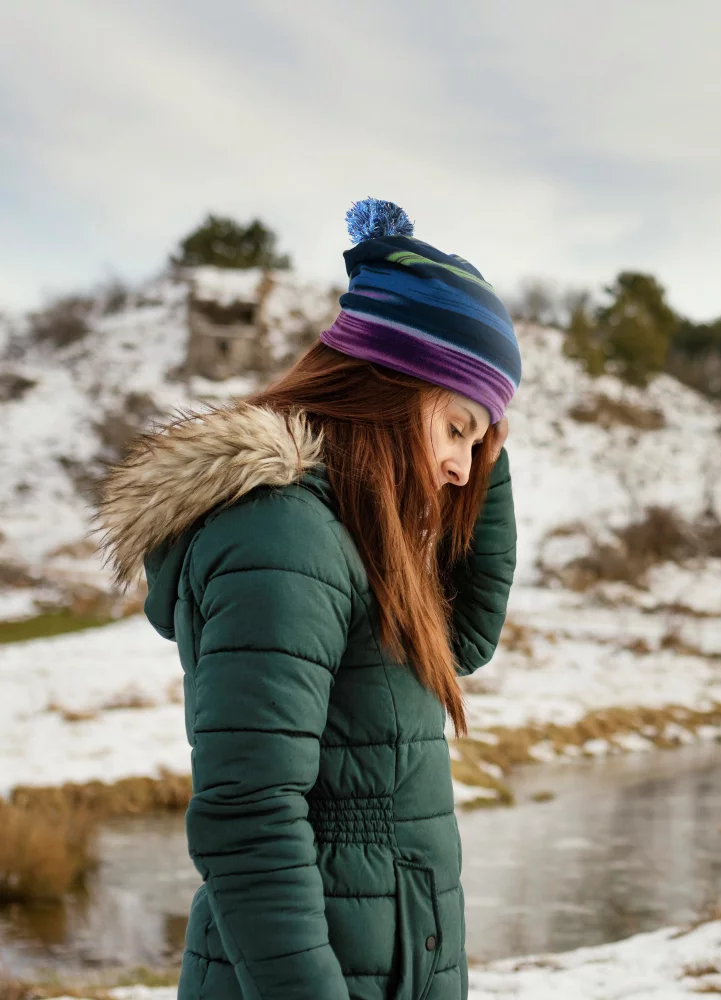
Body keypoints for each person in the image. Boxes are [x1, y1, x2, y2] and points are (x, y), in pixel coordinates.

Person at [96, 198, 520, 1000]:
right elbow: (250, 816)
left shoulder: (356, 530)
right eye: (457, 429)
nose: (465, 468)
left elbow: (462, 639)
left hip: (385, 958)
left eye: (481, 442)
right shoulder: (283, 535)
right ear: (390, 392)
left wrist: (487, 427)